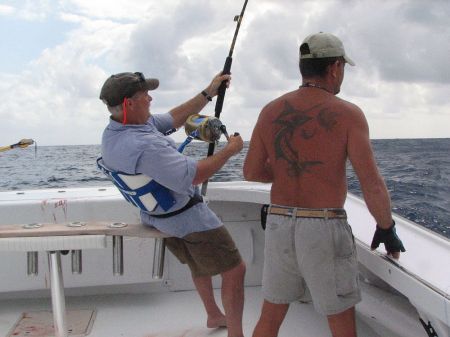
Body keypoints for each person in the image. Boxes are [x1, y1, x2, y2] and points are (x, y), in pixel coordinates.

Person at [243, 32, 405, 337]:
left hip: (278, 223)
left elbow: (251, 171)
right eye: (343, 66)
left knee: (270, 316)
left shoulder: (270, 110)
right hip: (322, 226)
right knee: (341, 321)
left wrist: (287, 168)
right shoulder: (348, 114)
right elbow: (371, 183)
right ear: (334, 68)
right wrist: (386, 227)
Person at [99, 71, 246, 337]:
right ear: (129, 104)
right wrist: (230, 150)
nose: (151, 98)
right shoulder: (143, 144)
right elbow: (195, 175)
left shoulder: (117, 130)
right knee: (235, 270)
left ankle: (214, 314)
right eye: (145, 96)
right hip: (189, 218)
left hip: (157, 216)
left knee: (198, 264)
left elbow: (174, 118)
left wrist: (208, 92)